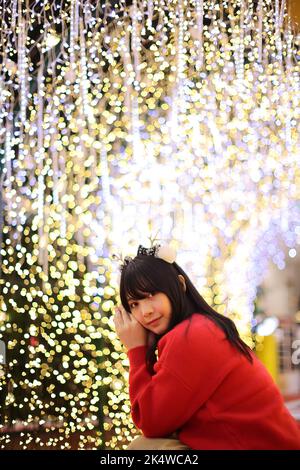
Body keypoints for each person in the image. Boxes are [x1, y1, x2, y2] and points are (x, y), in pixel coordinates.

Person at [113, 243, 300, 450]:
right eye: (134, 305)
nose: (145, 311)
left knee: (143, 449)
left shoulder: (191, 336)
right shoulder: (200, 326)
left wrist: (136, 351)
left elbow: (150, 421)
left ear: (180, 285)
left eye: (150, 295)